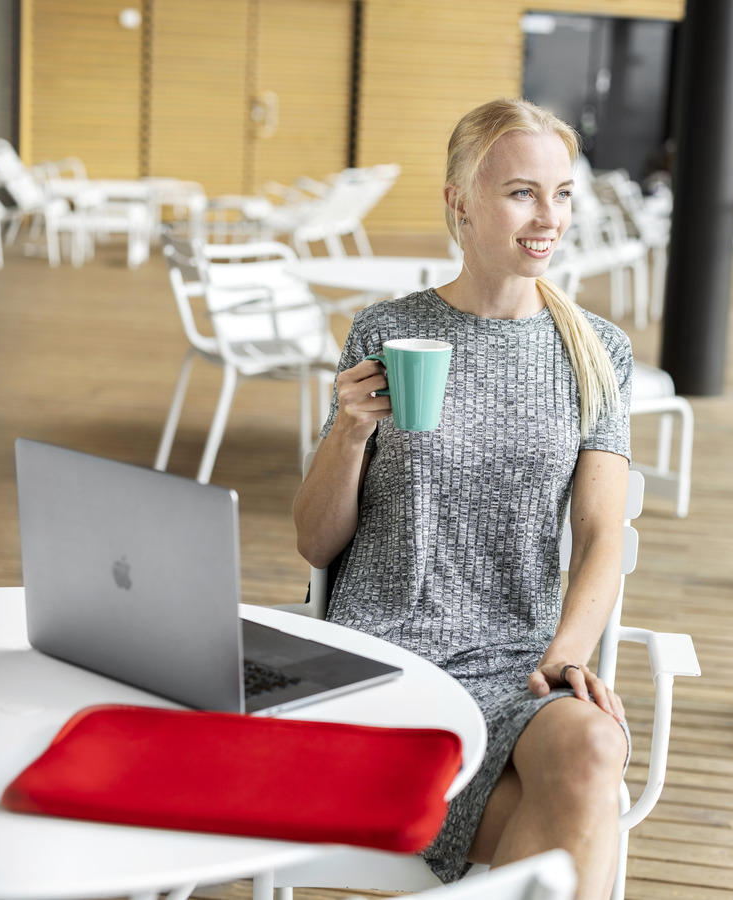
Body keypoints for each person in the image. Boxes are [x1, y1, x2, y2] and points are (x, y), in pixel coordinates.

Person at [292, 98, 635, 900]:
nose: (547, 217)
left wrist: (568, 656)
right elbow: (313, 545)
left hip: (515, 663)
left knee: (592, 748)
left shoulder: (595, 352)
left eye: (562, 194)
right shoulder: (384, 330)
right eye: (522, 192)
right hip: (378, 653)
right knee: (579, 813)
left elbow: (599, 538)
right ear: (459, 201)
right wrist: (346, 435)